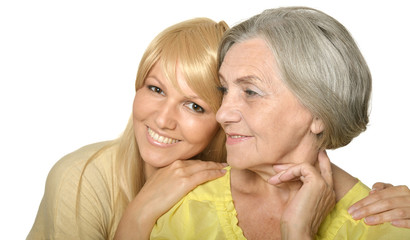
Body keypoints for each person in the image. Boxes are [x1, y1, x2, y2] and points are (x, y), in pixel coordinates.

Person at [150, 7, 410, 239]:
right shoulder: (185, 204)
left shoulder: (387, 224)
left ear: (319, 113)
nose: (222, 114)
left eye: (250, 92)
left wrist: (298, 233)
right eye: (224, 89)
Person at [27, 18, 229, 239]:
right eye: (156, 89)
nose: (163, 120)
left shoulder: (235, 192)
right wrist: (137, 217)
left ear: (223, 120)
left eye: (194, 106)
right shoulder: (79, 179)